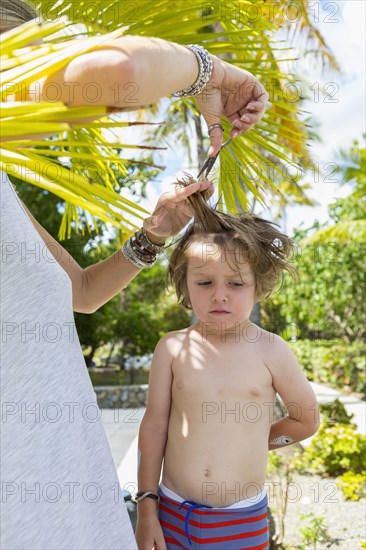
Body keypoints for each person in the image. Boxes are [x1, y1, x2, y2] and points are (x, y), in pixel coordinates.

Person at [1, 2, 269, 548]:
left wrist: (157, 229)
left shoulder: (4, 191)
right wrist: (211, 73)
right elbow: (122, 72)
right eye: (37, 60)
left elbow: (81, 292)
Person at [135, 179, 320, 550]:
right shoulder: (171, 348)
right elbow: (155, 427)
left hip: (241, 520)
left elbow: (305, 419)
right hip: (172, 514)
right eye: (204, 281)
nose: (219, 294)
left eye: (235, 283)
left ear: (258, 287)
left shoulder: (271, 350)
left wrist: (254, 441)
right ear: (185, 285)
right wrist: (145, 509)